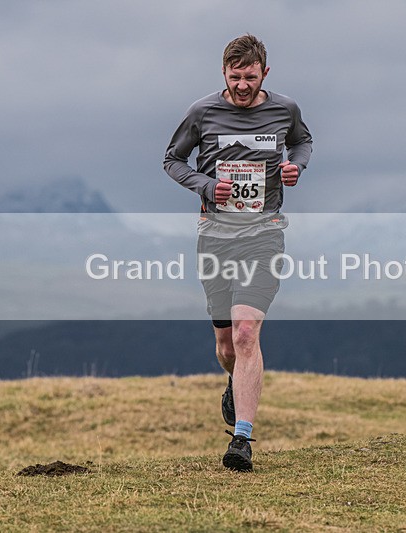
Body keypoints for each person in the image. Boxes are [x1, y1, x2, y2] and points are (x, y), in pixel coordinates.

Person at [163, 34, 312, 470]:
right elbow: (172, 160)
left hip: (264, 233)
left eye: (250, 77)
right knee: (227, 344)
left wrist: (294, 167)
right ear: (223, 73)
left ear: (265, 72)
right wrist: (207, 186)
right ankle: (234, 381)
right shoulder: (202, 112)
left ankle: (241, 440)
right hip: (215, 236)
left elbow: (302, 142)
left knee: (247, 333)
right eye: (234, 77)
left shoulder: (285, 110)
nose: (242, 86)